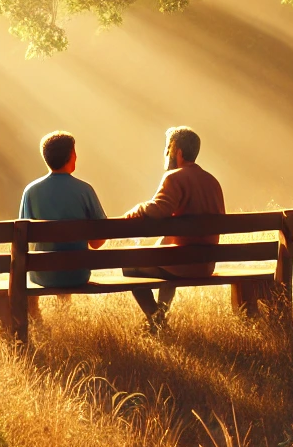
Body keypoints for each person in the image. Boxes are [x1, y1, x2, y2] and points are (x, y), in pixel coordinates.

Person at [121, 126, 225, 315]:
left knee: (128, 265)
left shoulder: (174, 178)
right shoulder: (212, 181)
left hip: (182, 265)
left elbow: (159, 209)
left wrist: (139, 208)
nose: (165, 153)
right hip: (206, 265)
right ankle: (161, 314)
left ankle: (156, 316)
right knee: (167, 251)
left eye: (167, 148)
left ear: (177, 151)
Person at [20, 131, 106, 289]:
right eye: (75, 152)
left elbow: (25, 238)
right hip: (77, 274)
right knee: (69, 266)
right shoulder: (84, 190)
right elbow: (97, 242)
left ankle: (34, 313)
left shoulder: (31, 192)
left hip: (41, 274)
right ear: (71, 156)